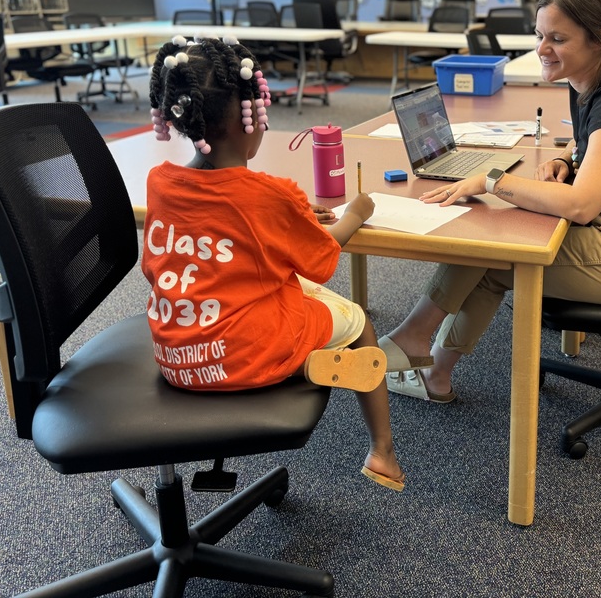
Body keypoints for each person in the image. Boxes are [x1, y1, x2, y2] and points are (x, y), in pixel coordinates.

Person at [381, 0, 601, 402]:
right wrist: (564, 159)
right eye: (539, 35)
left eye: (558, 39)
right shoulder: (590, 75)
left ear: (600, 38)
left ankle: (420, 349)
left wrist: (492, 181)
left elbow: (583, 205)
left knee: (495, 252)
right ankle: (426, 358)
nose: (542, 49)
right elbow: (589, 140)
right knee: (491, 245)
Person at [141, 34, 415, 491]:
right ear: (249, 119)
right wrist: (355, 214)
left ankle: (305, 362)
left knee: (270, 281)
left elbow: (224, 221)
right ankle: (382, 452)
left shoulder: (159, 181)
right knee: (360, 321)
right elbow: (321, 259)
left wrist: (292, 216)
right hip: (246, 353)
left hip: (176, 358)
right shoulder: (269, 194)